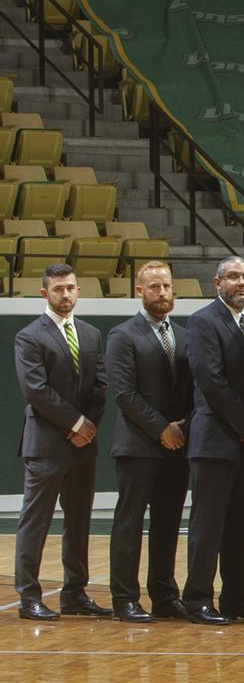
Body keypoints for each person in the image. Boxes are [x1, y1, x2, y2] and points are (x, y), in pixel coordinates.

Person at [182, 256, 244, 625]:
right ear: (217, 282)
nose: (242, 283)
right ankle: (197, 599)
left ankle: (237, 596)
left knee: (243, 522)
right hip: (214, 440)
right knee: (208, 524)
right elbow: (211, 380)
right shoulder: (203, 322)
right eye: (234, 277)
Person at [13, 263, 108, 621]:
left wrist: (89, 427)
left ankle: (75, 593)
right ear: (44, 294)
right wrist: (75, 423)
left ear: (78, 290)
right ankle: (29, 596)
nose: (65, 294)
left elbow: (101, 389)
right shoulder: (29, 336)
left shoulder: (91, 333)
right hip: (46, 444)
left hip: (83, 444)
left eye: (70, 288)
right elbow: (35, 390)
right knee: (35, 522)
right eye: (58, 289)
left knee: (80, 521)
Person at [105, 261, 191, 622]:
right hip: (139, 446)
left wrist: (182, 427)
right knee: (130, 522)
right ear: (139, 291)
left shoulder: (185, 335)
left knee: (169, 522)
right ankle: (124, 597)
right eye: (154, 287)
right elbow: (124, 394)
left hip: (179, 445)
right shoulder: (122, 335)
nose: (162, 293)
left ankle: (164, 594)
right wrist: (162, 429)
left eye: (167, 286)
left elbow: (193, 391)